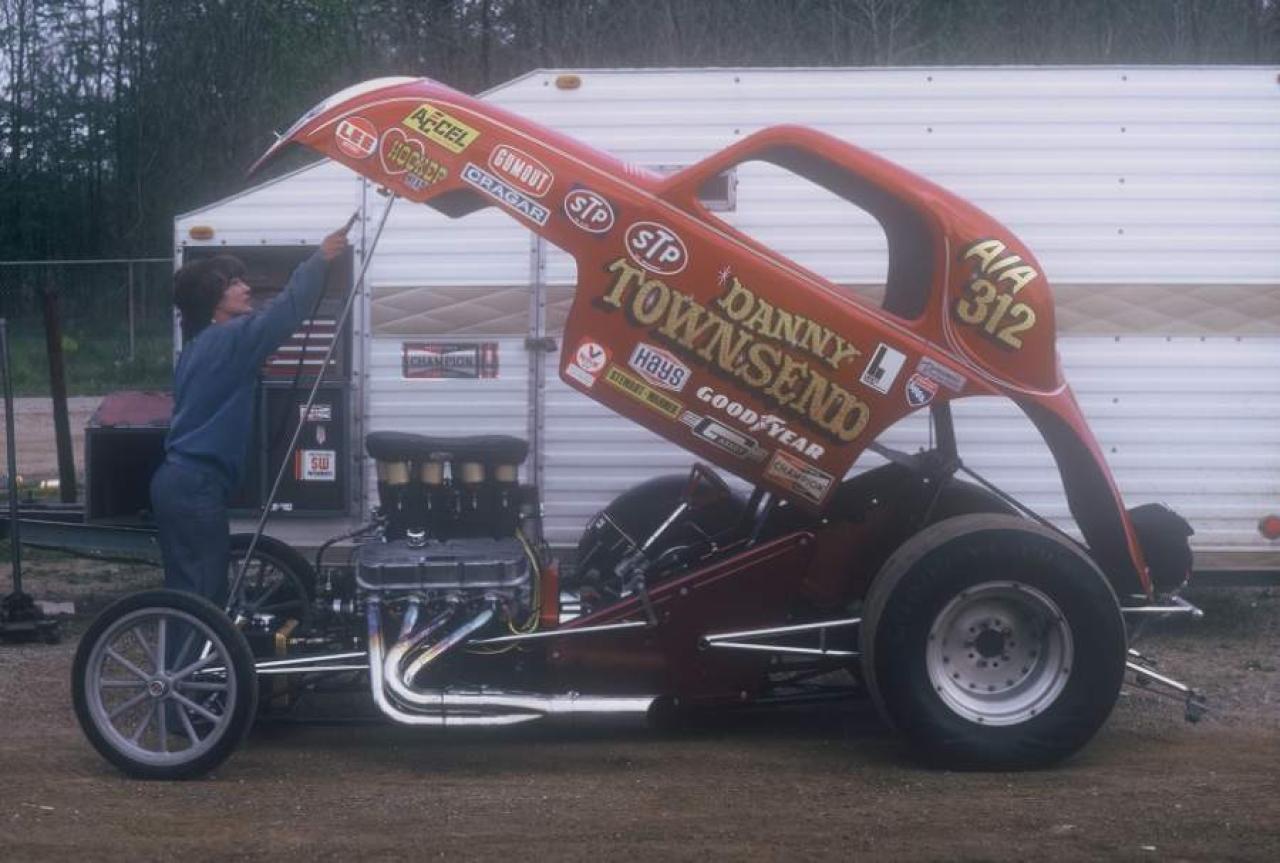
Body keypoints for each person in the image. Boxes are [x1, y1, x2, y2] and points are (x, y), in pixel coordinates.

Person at [151, 217, 355, 606]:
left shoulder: (199, 345)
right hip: (196, 484)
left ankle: (185, 645)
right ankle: (195, 648)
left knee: (188, 590)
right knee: (203, 595)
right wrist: (319, 260)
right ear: (213, 298)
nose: (246, 288)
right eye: (234, 283)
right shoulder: (231, 338)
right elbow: (286, 311)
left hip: (180, 481)